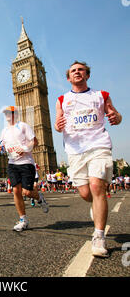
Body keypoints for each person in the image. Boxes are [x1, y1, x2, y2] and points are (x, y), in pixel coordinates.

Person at [55, 61, 122, 258]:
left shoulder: (101, 95)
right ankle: (96, 206)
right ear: (69, 77)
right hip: (75, 150)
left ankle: (99, 235)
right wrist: (58, 126)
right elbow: (58, 125)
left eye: (81, 69)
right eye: (73, 70)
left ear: (87, 75)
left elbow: (116, 116)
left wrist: (116, 117)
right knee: (85, 193)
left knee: (96, 187)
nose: (77, 72)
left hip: (98, 145)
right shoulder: (61, 99)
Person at [0, 106, 49, 232]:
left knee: (27, 192)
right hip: (12, 163)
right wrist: (1, 149)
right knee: (16, 190)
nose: (7, 116)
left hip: (26, 163)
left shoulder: (23, 126)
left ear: (15, 114)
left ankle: (39, 198)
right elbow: (3, 147)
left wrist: (25, 149)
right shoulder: (4, 131)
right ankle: (23, 219)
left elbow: (35, 142)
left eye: (9, 113)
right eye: (5, 114)